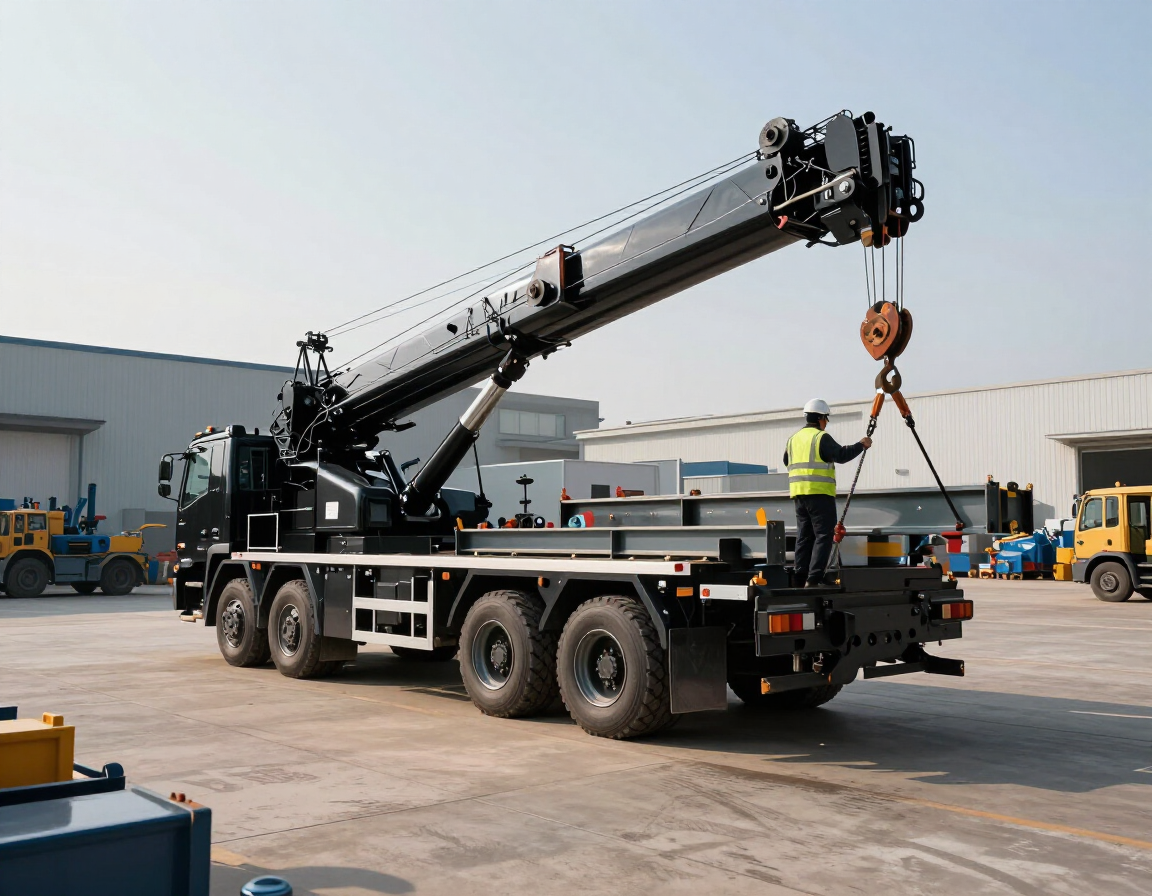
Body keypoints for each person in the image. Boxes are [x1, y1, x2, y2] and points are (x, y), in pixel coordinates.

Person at [783, 399, 872, 587]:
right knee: (823, 536)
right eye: (826, 419)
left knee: (804, 537)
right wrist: (861, 445)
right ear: (821, 418)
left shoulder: (793, 439)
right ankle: (814, 578)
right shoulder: (820, 437)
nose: (826, 423)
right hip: (819, 494)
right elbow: (841, 455)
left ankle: (800, 577)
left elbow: (786, 461)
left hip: (799, 495)